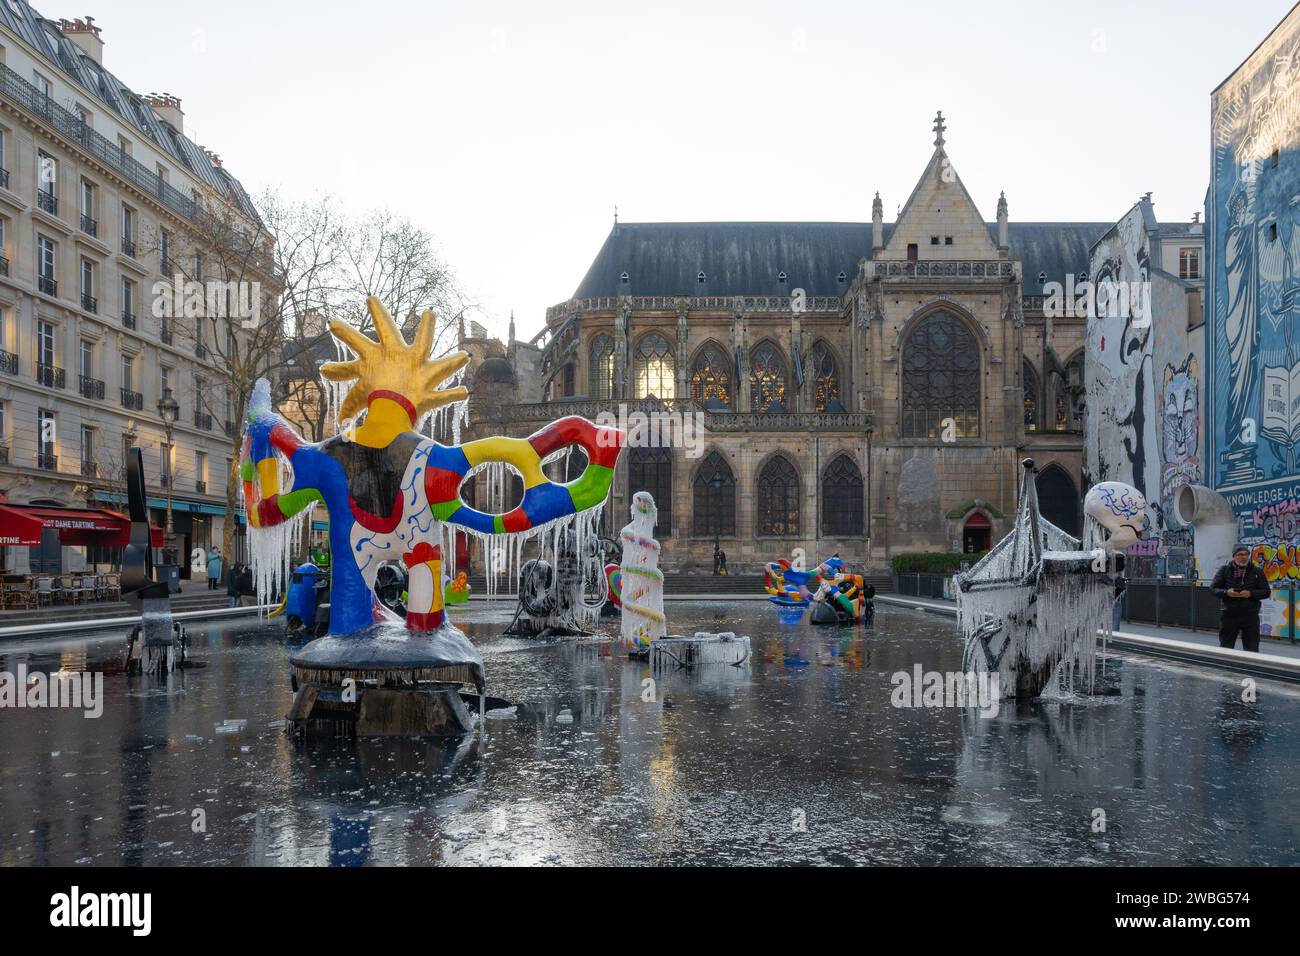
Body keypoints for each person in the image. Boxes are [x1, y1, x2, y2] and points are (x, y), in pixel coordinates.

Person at [1210, 545, 1270, 652]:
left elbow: (1266, 592)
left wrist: (1250, 593)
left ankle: (1251, 668)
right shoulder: (1224, 570)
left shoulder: (1257, 571)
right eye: (1240, 555)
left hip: (1250, 615)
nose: (1244, 557)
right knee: (1226, 647)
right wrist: (1226, 592)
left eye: (1246, 554)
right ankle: (1226, 668)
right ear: (1234, 556)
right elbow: (1213, 589)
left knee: (1252, 648)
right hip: (1230, 614)